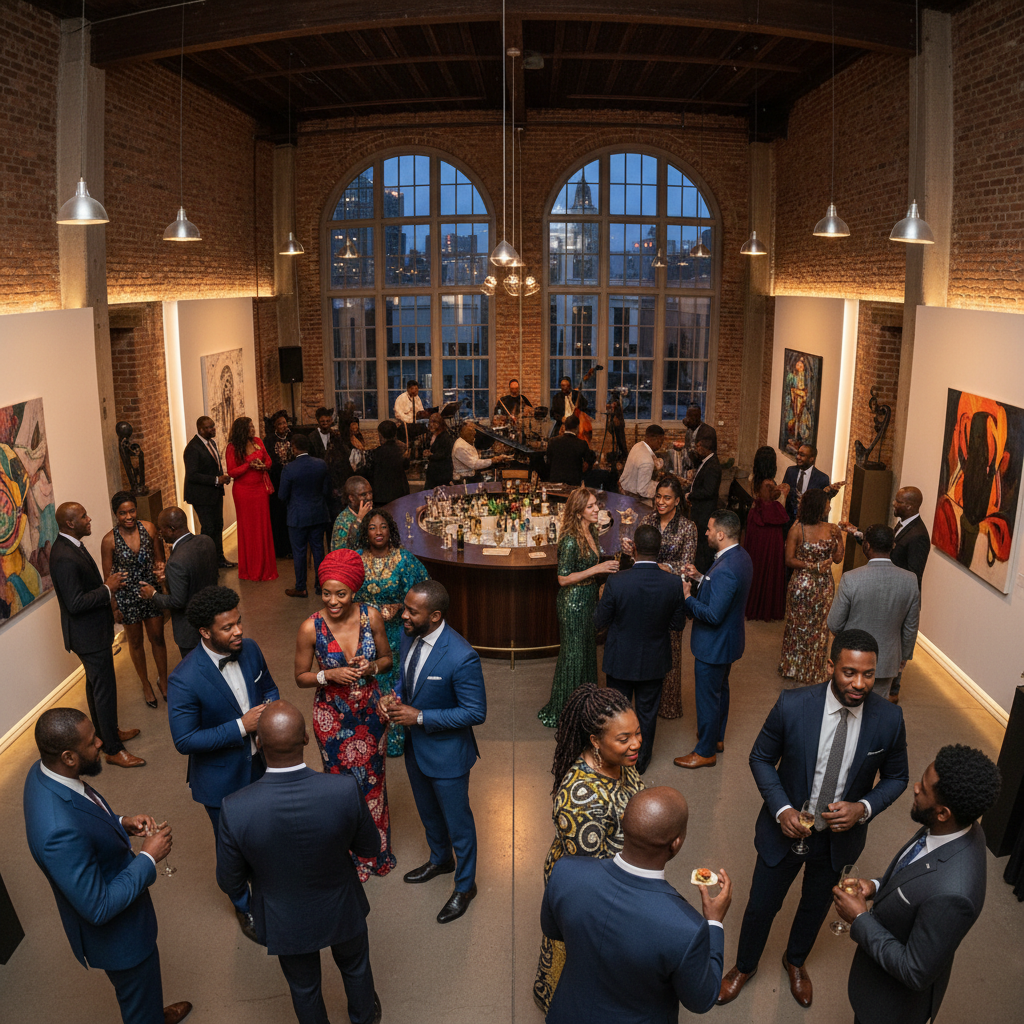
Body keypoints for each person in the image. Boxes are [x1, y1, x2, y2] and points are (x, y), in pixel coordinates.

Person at [718, 629, 909, 1010]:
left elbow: (897, 777)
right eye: (849, 672)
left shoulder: (889, 718)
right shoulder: (793, 705)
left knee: (815, 905)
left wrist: (863, 808)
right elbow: (760, 758)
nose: (859, 683)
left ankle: (796, 961)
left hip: (838, 839)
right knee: (761, 905)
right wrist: (782, 809)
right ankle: (744, 966)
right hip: (785, 829)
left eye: (868, 674)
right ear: (830, 666)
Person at [216, 701, 382, 1024]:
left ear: (259, 744)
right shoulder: (344, 789)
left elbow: (229, 880)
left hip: (284, 917)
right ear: (307, 738)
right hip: (340, 903)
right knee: (355, 966)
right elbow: (370, 847)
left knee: (304, 989)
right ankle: (364, 1018)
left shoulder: (235, 808)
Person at [23, 708, 191, 1024]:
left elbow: (83, 817)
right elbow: (98, 907)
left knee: (145, 993)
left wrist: (120, 822)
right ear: (69, 757)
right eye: (91, 742)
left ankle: (152, 1012)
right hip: (118, 938)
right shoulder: (57, 830)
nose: (101, 742)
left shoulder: (44, 771)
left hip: (124, 910)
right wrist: (149, 858)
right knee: (137, 1001)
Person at [834, 744, 1001, 1024]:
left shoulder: (955, 894)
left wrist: (860, 918)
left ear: (943, 812)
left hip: (890, 1008)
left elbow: (914, 971)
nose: (915, 788)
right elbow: (914, 871)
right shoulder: (953, 825)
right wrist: (877, 886)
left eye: (923, 789)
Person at [542, 787, 731, 1023]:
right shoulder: (687, 929)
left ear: (623, 823)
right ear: (676, 843)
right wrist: (713, 923)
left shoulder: (566, 871)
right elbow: (701, 1000)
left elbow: (552, 930)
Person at [167, 585, 279, 938]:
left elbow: (270, 690)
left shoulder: (251, 650)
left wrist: (268, 722)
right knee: (231, 848)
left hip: (260, 767)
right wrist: (241, 727)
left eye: (239, 622)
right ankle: (243, 906)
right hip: (220, 780)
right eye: (227, 627)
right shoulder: (184, 678)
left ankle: (271, 891)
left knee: (267, 834)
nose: (238, 632)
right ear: (205, 632)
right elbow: (185, 740)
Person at [533, 684, 644, 1012]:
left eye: (637, 733)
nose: (635, 743)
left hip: (615, 875)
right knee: (581, 954)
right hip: (588, 885)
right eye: (623, 739)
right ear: (595, 741)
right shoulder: (580, 799)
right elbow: (590, 880)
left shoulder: (620, 762)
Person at [294, 549, 396, 882]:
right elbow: (301, 676)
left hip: (370, 713)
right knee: (341, 788)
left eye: (341, 593)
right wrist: (328, 675)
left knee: (373, 784)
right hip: (332, 719)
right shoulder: (311, 627)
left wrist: (371, 667)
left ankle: (376, 852)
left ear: (354, 591)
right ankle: (350, 856)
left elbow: (387, 660)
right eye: (327, 592)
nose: (333, 601)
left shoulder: (372, 617)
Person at [388, 580, 486, 924]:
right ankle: (440, 859)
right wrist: (397, 696)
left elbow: (476, 712)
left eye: (412, 611)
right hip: (416, 747)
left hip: (448, 755)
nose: (404, 615)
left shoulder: (461, 656)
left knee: (459, 823)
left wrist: (421, 716)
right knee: (428, 812)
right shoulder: (407, 634)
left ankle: (465, 885)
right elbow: (406, 677)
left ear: (435, 616)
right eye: (405, 607)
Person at [49, 501, 143, 768]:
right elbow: (75, 603)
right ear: (70, 523)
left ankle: (105, 734)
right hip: (87, 636)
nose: (89, 519)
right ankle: (113, 750)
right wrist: (107, 588)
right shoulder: (64, 556)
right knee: (104, 690)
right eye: (83, 516)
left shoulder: (71, 546)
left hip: (92, 632)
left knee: (96, 687)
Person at [595, 524, 686, 774]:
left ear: (634, 548)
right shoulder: (672, 583)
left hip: (620, 659)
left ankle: (616, 760)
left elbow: (599, 621)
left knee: (616, 713)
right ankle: (640, 763)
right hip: (654, 660)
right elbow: (677, 624)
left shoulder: (617, 581)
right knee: (647, 713)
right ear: (659, 551)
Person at [674, 509, 752, 769]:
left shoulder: (726, 569)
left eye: (708, 529)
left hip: (714, 645)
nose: (705, 533)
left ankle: (705, 751)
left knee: (708, 696)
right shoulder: (741, 556)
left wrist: (687, 598)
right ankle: (716, 737)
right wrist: (699, 578)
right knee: (721, 690)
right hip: (729, 641)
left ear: (720, 534)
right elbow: (721, 589)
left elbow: (712, 614)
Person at [538, 487, 619, 727]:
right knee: (573, 655)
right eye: (591, 506)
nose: (597, 510)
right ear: (578, 512)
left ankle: (586, 706)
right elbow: (562, 578)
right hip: (572, 603)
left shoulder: (591, 530)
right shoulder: (570, 539)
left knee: (585, 653)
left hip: (588, 599)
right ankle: (566, 710)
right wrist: (597, 570)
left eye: (597, 504)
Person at [842, 486, 931, 705]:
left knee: (895, 641)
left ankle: (891, 693)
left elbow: (914, 574)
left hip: (899, 599)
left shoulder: (919, 535)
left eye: (898, 501)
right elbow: (883, 548)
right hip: (887, 593)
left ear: (909, 506)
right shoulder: (903, 525)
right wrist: (857, 533)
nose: (893, 503)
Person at [354, 510, 430, 756]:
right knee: (367, 678)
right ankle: (367, 733)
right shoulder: (355, 560)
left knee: (395, 681)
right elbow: (341, 592)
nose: (378, 532)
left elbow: (425, 588)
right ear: (366, 533)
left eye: (383, 526)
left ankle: (395, 739)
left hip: (397, 633)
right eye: (373, 527)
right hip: (363, 633)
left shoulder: (404, 559)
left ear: (391, 531)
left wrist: (401, 607)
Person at [827, 525, 920, 699]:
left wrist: (849, 639)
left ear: (867, 546)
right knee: (876, 715)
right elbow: (910, 628)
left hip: (851, 660)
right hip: (887, 662)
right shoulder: (910, 580)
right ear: (892, 546)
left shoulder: (851, 579)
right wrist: (903, 656)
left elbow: (834, 623)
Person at [633, 475, 698, 720]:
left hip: (671, 595)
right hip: (646, 593)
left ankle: (668, 704)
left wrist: (665, 568)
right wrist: (634, 551)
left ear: (677, 501)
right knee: (646, 645)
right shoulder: (647, 520)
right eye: (658, 496)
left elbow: (687, 564)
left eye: (667, 498)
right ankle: (644, 703)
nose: (661, 502)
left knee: (670, 647)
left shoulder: (687, 527)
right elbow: (640, 557)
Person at [100, 491, 168, 708]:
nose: (128, 516)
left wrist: (162, 581)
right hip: (126, 597)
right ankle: (145, 684)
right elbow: (108, 578)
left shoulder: (148, 528)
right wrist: (113, 607)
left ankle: (164, 680)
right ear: (115, 514)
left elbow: (159, 558)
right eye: (123, 513)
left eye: (132, 511)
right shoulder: (109, 540)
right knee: (136, 642)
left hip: (150, 590)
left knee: (157, 637)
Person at [778, 489, 844, 686]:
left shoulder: (832, 528)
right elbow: (789, 560)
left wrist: (840, 539)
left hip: (824, 587)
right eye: (827, 503)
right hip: (801, 585)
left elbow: (838, 558)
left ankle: (814, 668)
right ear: (818, 505)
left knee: (821, 628)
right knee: (798, 627)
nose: (830, 507)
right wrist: (812, 566)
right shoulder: (797, 529)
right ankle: (794, 666)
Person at [137, 506, 218, 660]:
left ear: (172, 529)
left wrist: (152, 594)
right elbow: (198, 576)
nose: (160, 534)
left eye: (162, 530)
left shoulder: (176, 561)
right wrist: (169, 578)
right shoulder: (206, 541)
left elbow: (177, 601)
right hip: (212, 621)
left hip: (190, 631)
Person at [278, 432, 332, 598]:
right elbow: (326, 490)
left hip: (297, 516)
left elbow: (281, 495)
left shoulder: (289, 469)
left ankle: (301, 587)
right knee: (318, 550)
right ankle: (321, 585)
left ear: (294, 448)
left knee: (299, 552)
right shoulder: (321, 464)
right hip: (318, 513)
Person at [225, 415, 278, 581]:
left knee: (262, 526)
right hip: (244, 491)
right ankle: (250, 569)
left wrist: (263, 465)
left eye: (253, 426)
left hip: (260, 489)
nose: (253, 429)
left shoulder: (257, 441)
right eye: (249, 427)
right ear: (242, 430)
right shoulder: (232, 447)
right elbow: (232, 472)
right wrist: (249, 464)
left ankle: (265, 567)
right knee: (248, 529)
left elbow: (269, 460)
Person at [743, 447, 791, 621]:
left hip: (755, 524)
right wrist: (784, 493)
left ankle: (752, 601)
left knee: (756, 560)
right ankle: (764, 607)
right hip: (768, 529)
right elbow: (775, 509)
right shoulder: (769, 483)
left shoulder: (753, 479)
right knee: (768, 563)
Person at [183, 415, 235, 569]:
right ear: (200, 429)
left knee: (218, 525)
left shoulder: (210, 442)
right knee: (208, 529)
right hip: (202, 496)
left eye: (213, 425)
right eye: (209, 427)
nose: (213, 429)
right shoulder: (192, 448)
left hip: (215, 494)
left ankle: (219, 559)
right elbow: (192, 475)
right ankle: (207, 564)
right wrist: (216, 480)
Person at [686, 436, 723, 573]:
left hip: (704, 513)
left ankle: (702, 571)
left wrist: (690, 495)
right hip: (700, 511)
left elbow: (708, 491)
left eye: (699, 446)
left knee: (703, 545)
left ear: (706, 448)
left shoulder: (713, 466)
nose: (697, 449)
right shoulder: (706, 461)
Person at [263, 409, 294, 560]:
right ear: (275, 426)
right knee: (278, 516)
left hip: (293, 482)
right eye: (279, 424)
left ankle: (291, 547)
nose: (283, 426)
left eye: (284, 423)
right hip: (276, 482)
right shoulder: (268, 440)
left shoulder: (293, 437)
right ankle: (279, 549)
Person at [782, 444, 832, 523]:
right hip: (789, 521)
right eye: (797, 454)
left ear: (811, 458)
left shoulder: (822, 478)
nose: (798, 457)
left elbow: (822, 507)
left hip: (809, 524)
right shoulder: (790, 471)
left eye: (802, 455)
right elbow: (783, 495)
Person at [545, 414, 596, 486]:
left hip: (555, 481)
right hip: (573, 483)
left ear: (565, 426)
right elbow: (590, 459)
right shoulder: (581, 444)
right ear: (577, 427)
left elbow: (548, 462)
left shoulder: (552, 441)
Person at [618, 424, 665, 500]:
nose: (660, 446)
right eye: (661, 443)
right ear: (657, 439)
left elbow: (652, 457)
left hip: (624, 486)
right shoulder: (647, 462)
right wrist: (661, 487)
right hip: (632, 497)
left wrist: (659, 462)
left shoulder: (638, 445)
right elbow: (643, 490)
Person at [370, 419, 410, 505]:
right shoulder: (400, 450)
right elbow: (406, 466)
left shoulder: (378, 452)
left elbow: (371, 471)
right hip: (400, 492)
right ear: (395, 434)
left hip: (383, 495)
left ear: (380, 435)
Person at [331, 476, 373, 551]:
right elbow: (342, 553)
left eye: (370, 493)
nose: (369, 497)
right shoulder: (342, 521)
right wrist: (359, 520)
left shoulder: (372, 513)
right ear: (352, 498)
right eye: (363, 494)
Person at [423, 412, 454, 489]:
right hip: (433, 470)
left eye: (434, 422)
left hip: (441, 472)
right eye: (430, 422)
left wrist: (431, 455)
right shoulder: (432, 434)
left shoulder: (445, 436)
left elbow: (445, 454)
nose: (431, 424)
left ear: (440, 423)